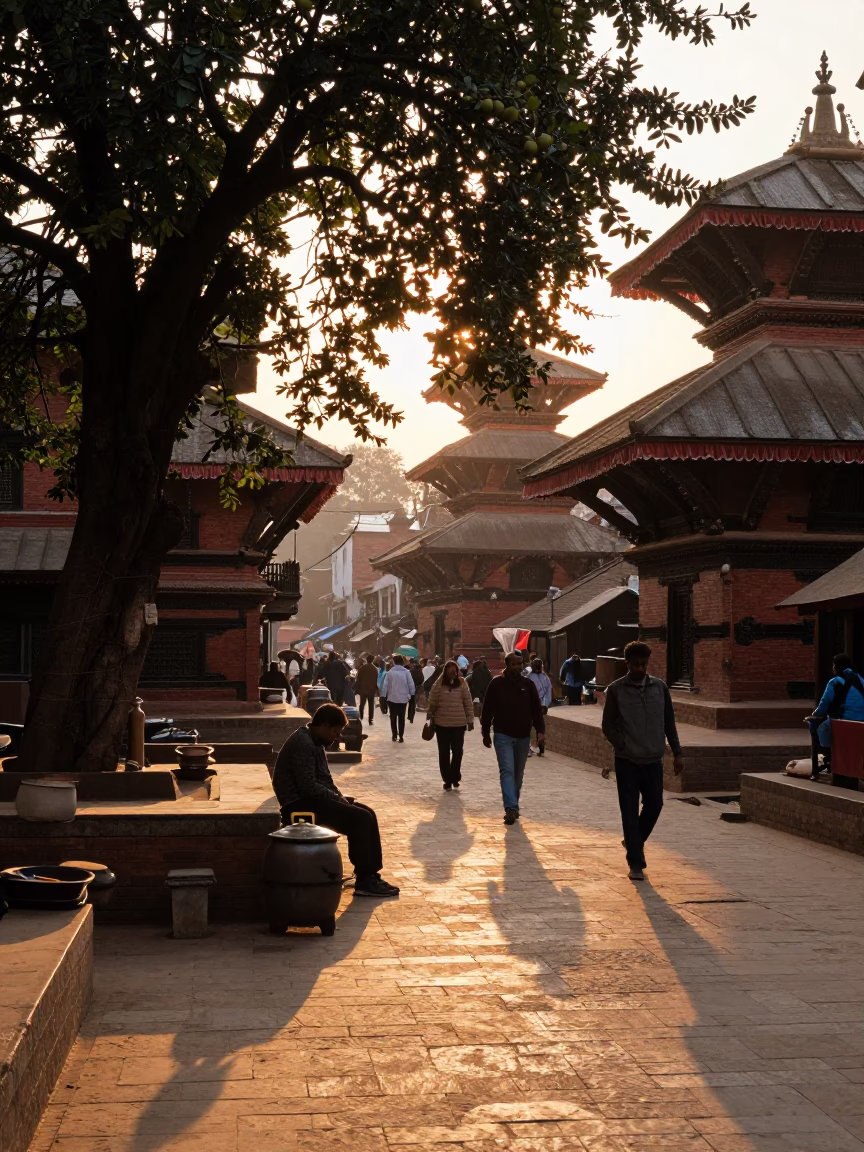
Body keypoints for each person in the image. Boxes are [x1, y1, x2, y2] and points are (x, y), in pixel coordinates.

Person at [271, 704, 399, 897]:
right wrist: (336, 798)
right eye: (335, 732)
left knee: (367, 813)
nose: (336, 737)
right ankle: (364, 879)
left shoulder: (316, 742)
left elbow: (325, 779)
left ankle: (371, 873)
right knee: (360, 819)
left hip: (312, 800)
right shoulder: (303, 743)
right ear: (323, 725)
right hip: (298, 805)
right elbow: (308, 787)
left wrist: (340, 798)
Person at [601, 641, 684, 882]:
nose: (640, 669)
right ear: (627, 664)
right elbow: (608, 725)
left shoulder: (659, 688)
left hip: (653, 760)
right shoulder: (616, 690)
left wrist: (677, 752)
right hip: (627, 760)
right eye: (636, 665)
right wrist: (622, 744)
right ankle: (636, 862)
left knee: (655, 805)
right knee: (629, 811)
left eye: (644, 665)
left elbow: (669, 722)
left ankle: (633, 841)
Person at [481, 651, 545, 825]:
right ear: (507, 666)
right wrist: (485, 731)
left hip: (523, 736)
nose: (517, 667)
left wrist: (540, 730)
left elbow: (536, 710)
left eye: (519, 664)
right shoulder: (497, 684)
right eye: (514, 664)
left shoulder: (528, 685)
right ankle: (510, 807)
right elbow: (487, 709)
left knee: (518, 774)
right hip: (503, 734)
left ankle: (513, 803)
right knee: (507, 771)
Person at [805, 653, 864, 779]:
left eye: (833, 665)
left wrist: (814, 715)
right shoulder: (861, 680)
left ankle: (827, 756)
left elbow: (824, 703)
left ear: (837, 666)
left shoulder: (835, 682)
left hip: (843, 721)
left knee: (817, 726)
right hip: (861, 723)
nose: (832, 667)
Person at [427, 659, 474, 790]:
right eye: (450, 669)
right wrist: (429, 714)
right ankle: (447, 779)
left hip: (459, 724)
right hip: (442, 724)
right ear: (446, 671)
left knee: (458, 751)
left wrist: (470, 719)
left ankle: (455, 776)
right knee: (444, 752)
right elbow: (433, 700)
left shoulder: (462, 683)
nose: (452, 672)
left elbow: (467, 702)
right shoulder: (439, 684)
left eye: (454, 669)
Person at [382, 654, 415, 742]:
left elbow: (385, 686)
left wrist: (383, 697)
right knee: (401, 717)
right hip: (403, 699)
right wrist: (412, 695)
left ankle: (394, 735)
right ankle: (401, 736)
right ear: (402, 662)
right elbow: (411, 685)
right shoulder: (407, 672)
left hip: (391, 699)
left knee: (393, 717)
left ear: (394, 662)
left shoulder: (390, 673)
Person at [526, 658, 553, 756]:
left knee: (529, 725)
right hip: (540, 704)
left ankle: (531, 747)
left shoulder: (529, 677)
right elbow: (548, 691)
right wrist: (545, 703)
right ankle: (540, 742)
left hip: (533, 705)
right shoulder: (544, 677)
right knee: (539, 725)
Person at [355, 654, 379, 725]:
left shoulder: (362, 668)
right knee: (371, 705)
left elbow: (358, 679)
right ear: (372, 660)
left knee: (362, 704)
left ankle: (361, 717)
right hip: (371, 690)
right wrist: (376, 689)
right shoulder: (375, 669)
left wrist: (358, 688)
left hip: (363, 689)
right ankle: (370, 719)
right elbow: (377, 680)